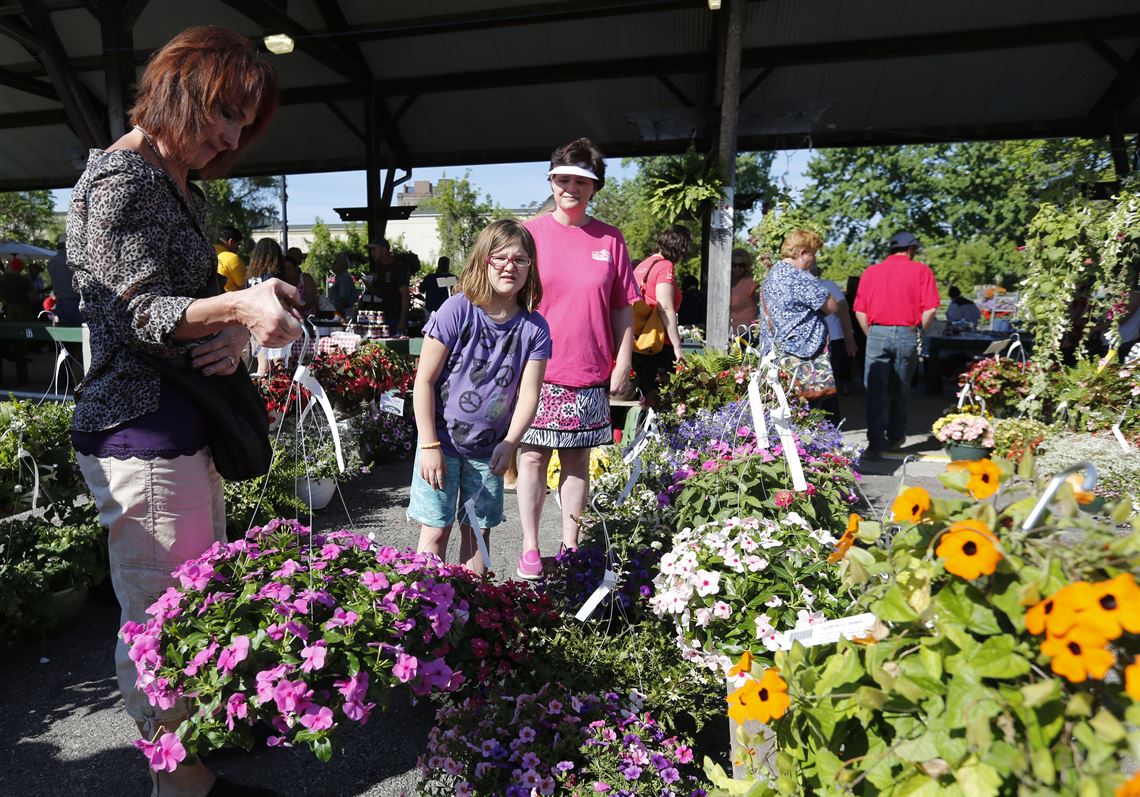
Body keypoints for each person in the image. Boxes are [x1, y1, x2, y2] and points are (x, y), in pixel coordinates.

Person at [66, 26, 299, 797]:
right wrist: (241, 302)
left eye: (244, 122)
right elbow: (139, 313)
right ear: (182, 89)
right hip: (142, 431)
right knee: (164, 621)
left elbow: (187, 314)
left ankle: (191, 771)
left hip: (178, 427)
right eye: (227, 111)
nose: (232, 135)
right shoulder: (121, 179)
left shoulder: (176, 186)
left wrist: (232, 330)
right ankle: (183, 784)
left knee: (188, 610)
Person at [515, 137, 639, 578]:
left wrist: (623, 361)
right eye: (562, 179)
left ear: (594, 187)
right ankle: (530, 547)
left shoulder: (611, 238)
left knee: (576, 460)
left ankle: (569, 548)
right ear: (551, 181)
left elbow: (623, 306)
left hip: (590, 368)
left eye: (581, 181)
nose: (570, 187)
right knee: (531, 457)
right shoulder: (528, 233)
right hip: (535, 368)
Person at [410, 219, 549, 576]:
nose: (509, 267)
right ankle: (426, 608)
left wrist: (511, 442)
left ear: (530, 267)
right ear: (483, 261)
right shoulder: (457, 310)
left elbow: (529, 394)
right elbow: (424, 381)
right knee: (435, 531)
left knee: (477, 533)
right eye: (499, 257)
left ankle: (472, 611)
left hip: (489, 452)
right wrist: (428, 445)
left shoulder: (534, 328)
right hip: (440, 445)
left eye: (520, 260)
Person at [853, 231, 941, 460]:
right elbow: (930, 309)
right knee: (901, 388)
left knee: (875, 390)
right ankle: (895, 437)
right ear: (911, 249)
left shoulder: (871, 272)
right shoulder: (922, 271)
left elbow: (860, 311)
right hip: (907, 332)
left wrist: (871, 334)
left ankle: (875, 443)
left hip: (877, 332)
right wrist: (919, 329)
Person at [759, 231, 838, 414]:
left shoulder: (774, 273)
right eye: (813, 253)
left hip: (776, 355)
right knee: (807, 414)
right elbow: (831, 306)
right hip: (801, 359)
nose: (814, 259)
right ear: (803, 253)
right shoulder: (798, 277)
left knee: (784, 410)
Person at [631, 224, 692, 401]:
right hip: (658, 345)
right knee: (664, 403)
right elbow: (665, 307)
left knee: (645, 399)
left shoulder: (644, 264)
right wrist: (678, 346)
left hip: (640, 342)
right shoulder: (665, 267)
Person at [246, 238, 292, 376]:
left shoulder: (250, 275)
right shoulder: (274, 274)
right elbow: (279, 300)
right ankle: (280, 394)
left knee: (262, 367)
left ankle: (261, 394)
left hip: (254, 321)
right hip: (273, 320)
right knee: (279, 364)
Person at [813, 264, 858, 401]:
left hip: (832, 340)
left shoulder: (827, 285)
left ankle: (829, 414)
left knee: (826, 382)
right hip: (828, 340)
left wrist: (849, 337)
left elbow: (843, 309)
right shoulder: (825, 285)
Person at [361, 239, 409, 334]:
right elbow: (382, 294)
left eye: (374, 249)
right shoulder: (380, 269)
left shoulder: (397, 268)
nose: (372, 253)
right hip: (382, 318)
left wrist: (402, 320)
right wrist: (369, 287)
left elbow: (405, 295)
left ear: (384, 250)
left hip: (396, 318)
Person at [46, 234, 81, 325]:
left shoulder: (52, 261)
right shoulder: (75, 260)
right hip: (75, 302)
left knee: (64, 333)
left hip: (60, 303)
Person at [729, 247, 759, 338]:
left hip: (746, 333)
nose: (737, 268)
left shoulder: (751, 283)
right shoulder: (725, 283)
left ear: (746, 266)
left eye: (741, 265)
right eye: (734, 265)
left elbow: (760, 307)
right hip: (729, 333)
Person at [214, 224, 245, 292]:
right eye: (238, 245)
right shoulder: (233, 258)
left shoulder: (206, 252)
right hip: (232, 301)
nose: (238, 248)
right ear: (230, 242)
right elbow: (246, 287)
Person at [327, 251, 357, 319]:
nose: (332, 264)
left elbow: (344, 300)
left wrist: (332, 310)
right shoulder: (340, 277)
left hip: (343, 315)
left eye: (335, 262)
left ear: (342, 265)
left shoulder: (344, 278)